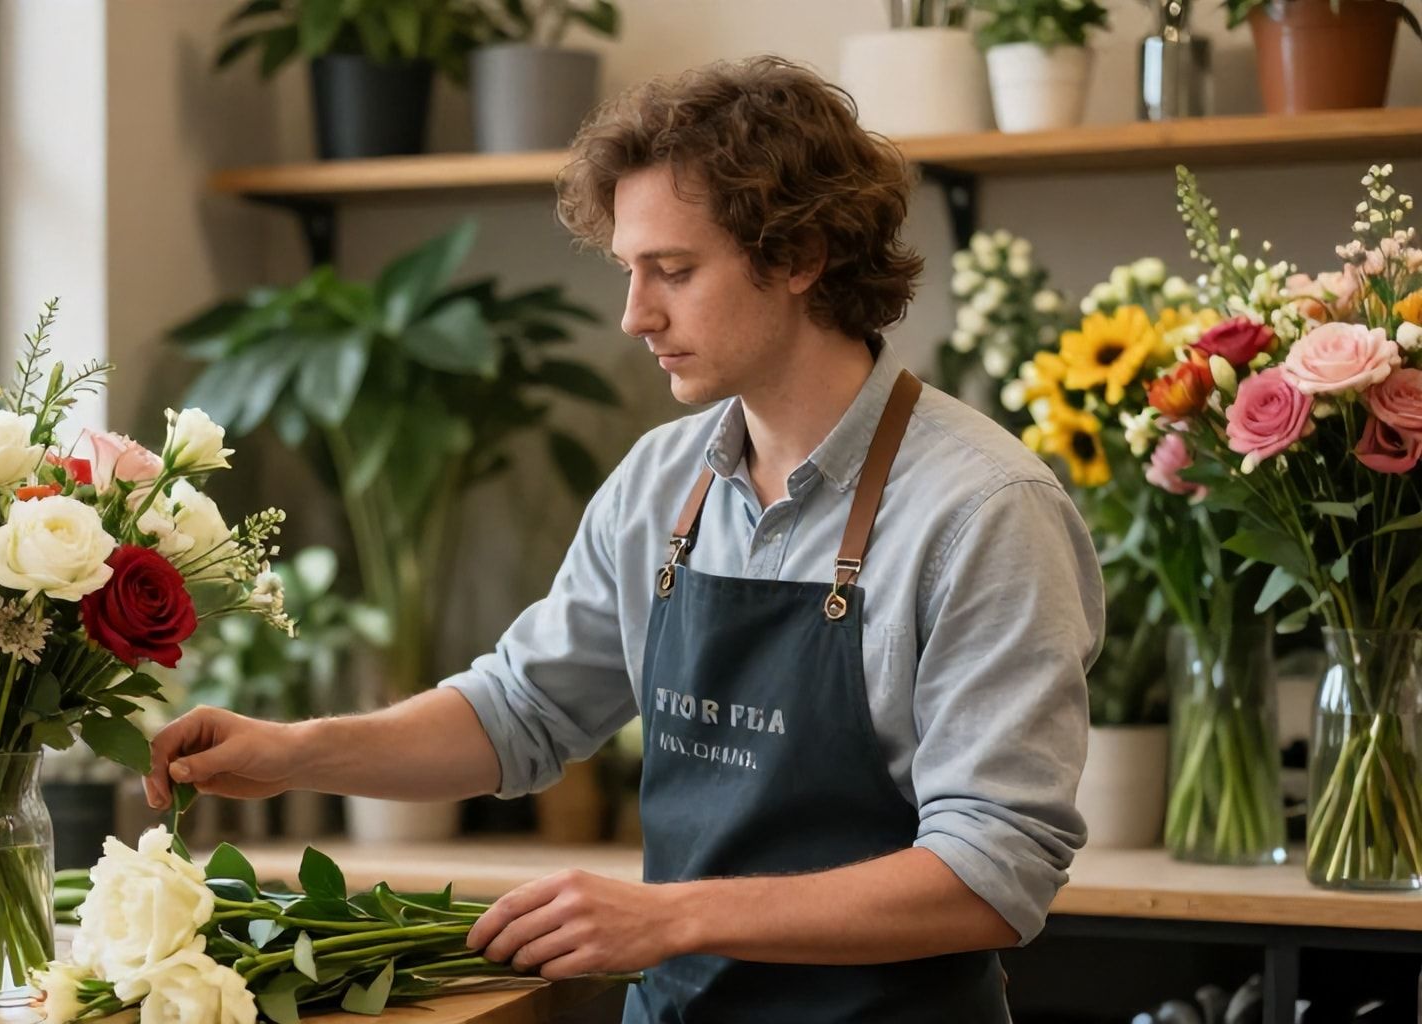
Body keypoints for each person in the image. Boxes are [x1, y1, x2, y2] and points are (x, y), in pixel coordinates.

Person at [144, 55, 1103, 1023]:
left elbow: (993, 870)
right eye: (630, 270)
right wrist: (297, 750)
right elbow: (520, 709)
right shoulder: (660, 481)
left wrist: (670, 916)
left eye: (674, 272)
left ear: (800, 256)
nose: (635, 313)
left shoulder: (982, 510)